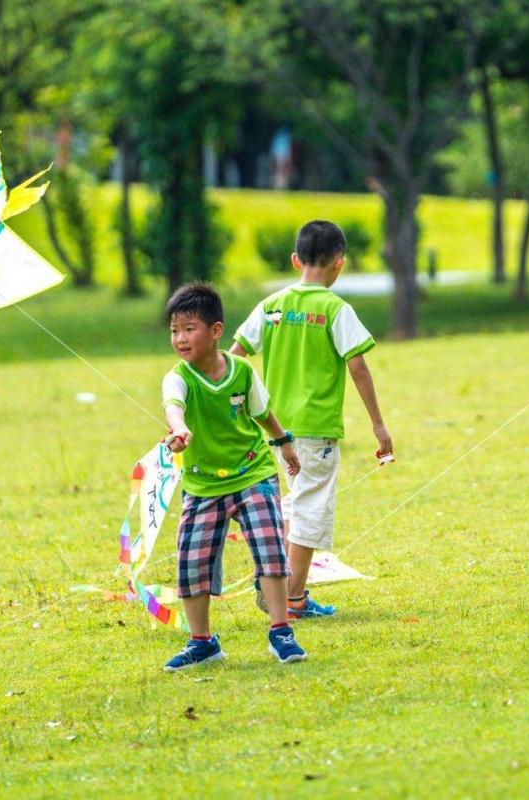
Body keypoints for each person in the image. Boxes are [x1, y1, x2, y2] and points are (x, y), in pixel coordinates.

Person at [232, 220, 393, 618]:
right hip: (315, 428)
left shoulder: (271, 305)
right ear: (340, 264)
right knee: (310, 509)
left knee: (295, 501)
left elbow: (235, 356)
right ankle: (291, 597)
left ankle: (276, 578)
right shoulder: (335, 308)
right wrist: (378, 424)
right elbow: (357, 365)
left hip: (271, 427)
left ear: (294, 260)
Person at [160, 281, 308, 671]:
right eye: (174, 330)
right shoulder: (178, 378)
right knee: (192, 563)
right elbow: (174, 407)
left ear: (216, 331)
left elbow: (262, 412)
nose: (180, 338)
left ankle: (281, 631)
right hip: (203, 484)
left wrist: (284, 442)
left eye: (189, 328)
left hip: (252, 472)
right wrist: (179, 430)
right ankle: (202, 643)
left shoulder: (242, 372)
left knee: (270, 548)